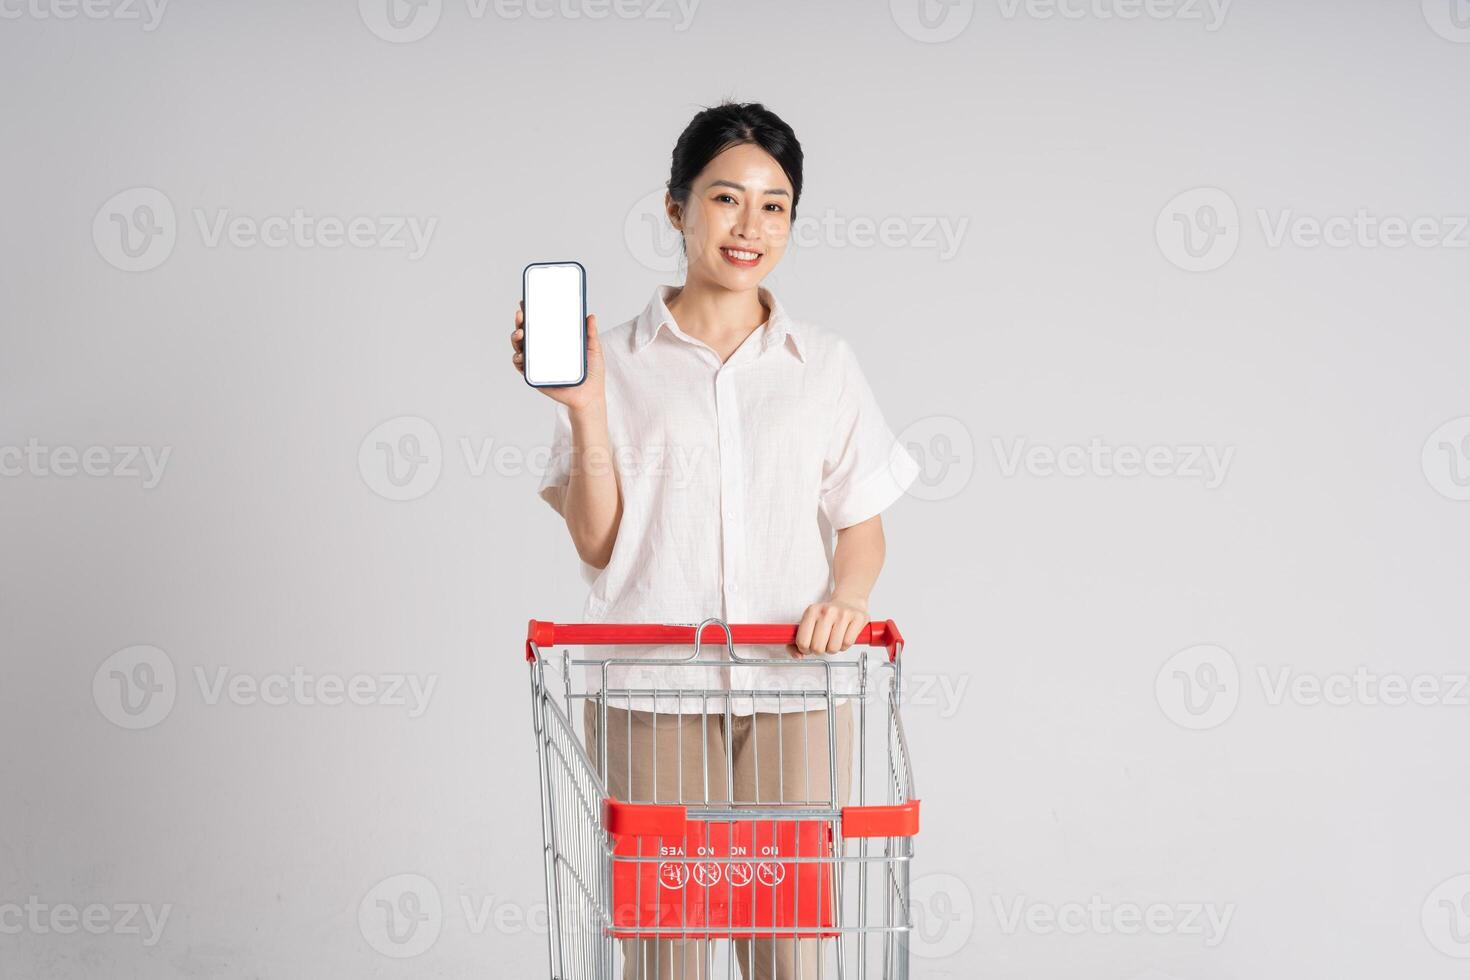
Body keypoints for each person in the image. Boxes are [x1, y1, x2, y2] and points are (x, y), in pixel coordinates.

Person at [512, 101, 919, 980]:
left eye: (775, 206)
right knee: (667, 955)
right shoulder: (611, 361)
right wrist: (584, 408)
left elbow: (862, 527)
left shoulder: (825, 363)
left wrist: (847, 599)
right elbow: (598, 541)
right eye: (727, 198)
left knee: (789, 950)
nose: (750, 226)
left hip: (795, 691)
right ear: (676, 208)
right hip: (648, 687)